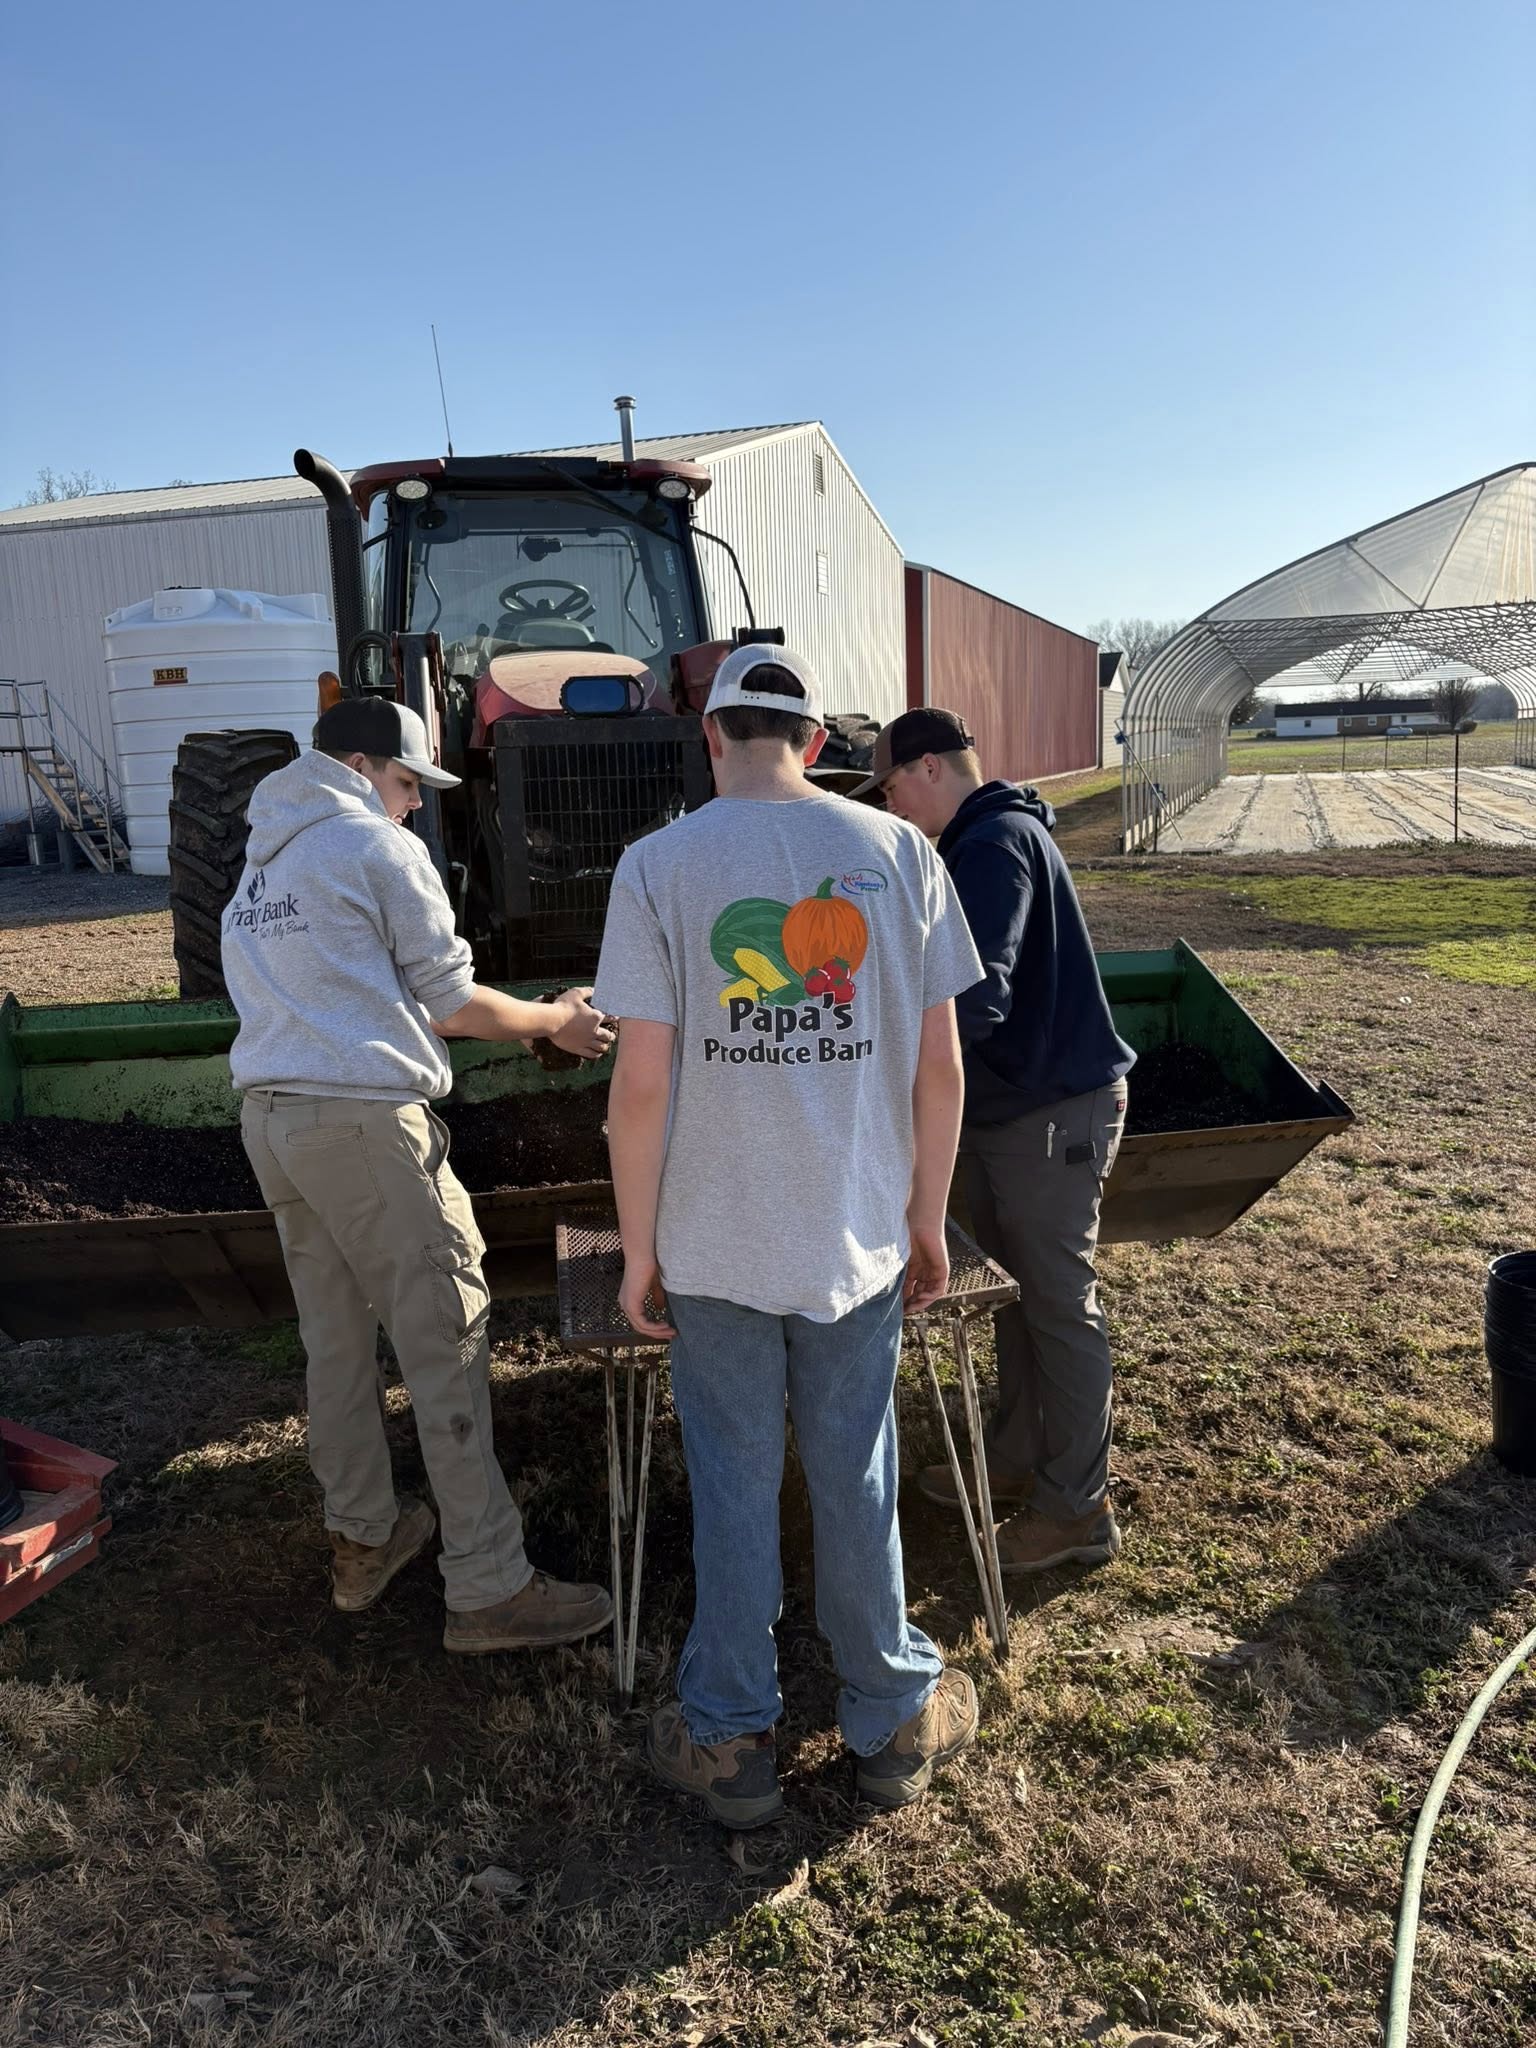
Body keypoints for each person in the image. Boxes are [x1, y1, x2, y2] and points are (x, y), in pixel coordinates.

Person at [594, 645, 985, 1829]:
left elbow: (641, 1086)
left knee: (731, 1476)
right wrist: (925, 1220)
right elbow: (942, 1067)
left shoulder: (658, 865)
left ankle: (729, 1738)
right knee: (855, 1467)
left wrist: (638, 1245)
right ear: (817, 741)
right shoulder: (902, 853)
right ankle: (890, 1717)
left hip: (712, 1246)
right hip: (854, 1241)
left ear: (712, 736)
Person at [222, 694, 615, 1653]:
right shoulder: (372, 845)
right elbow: (448, 1004)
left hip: (275, 1122)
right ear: (362, 766)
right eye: (406, 785)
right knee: (446, 1336)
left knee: (337, 1338)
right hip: (362, 1125)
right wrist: (553, 1022)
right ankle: (486, 1583)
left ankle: (363, 1538)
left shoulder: (264, 855)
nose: (412, 809)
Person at [857, 708, 1136, 1574]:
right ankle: (1018, 1457)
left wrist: (879, 1061)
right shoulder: (983, 839)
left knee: (1058, 1300)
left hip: (1050, 1111)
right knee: (1016, 1297)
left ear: (930, 767)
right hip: (1011, 1110)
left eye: (893, 786)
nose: (892, 805)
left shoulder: (990, 844)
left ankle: (1077, 1508)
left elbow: (975, 998)